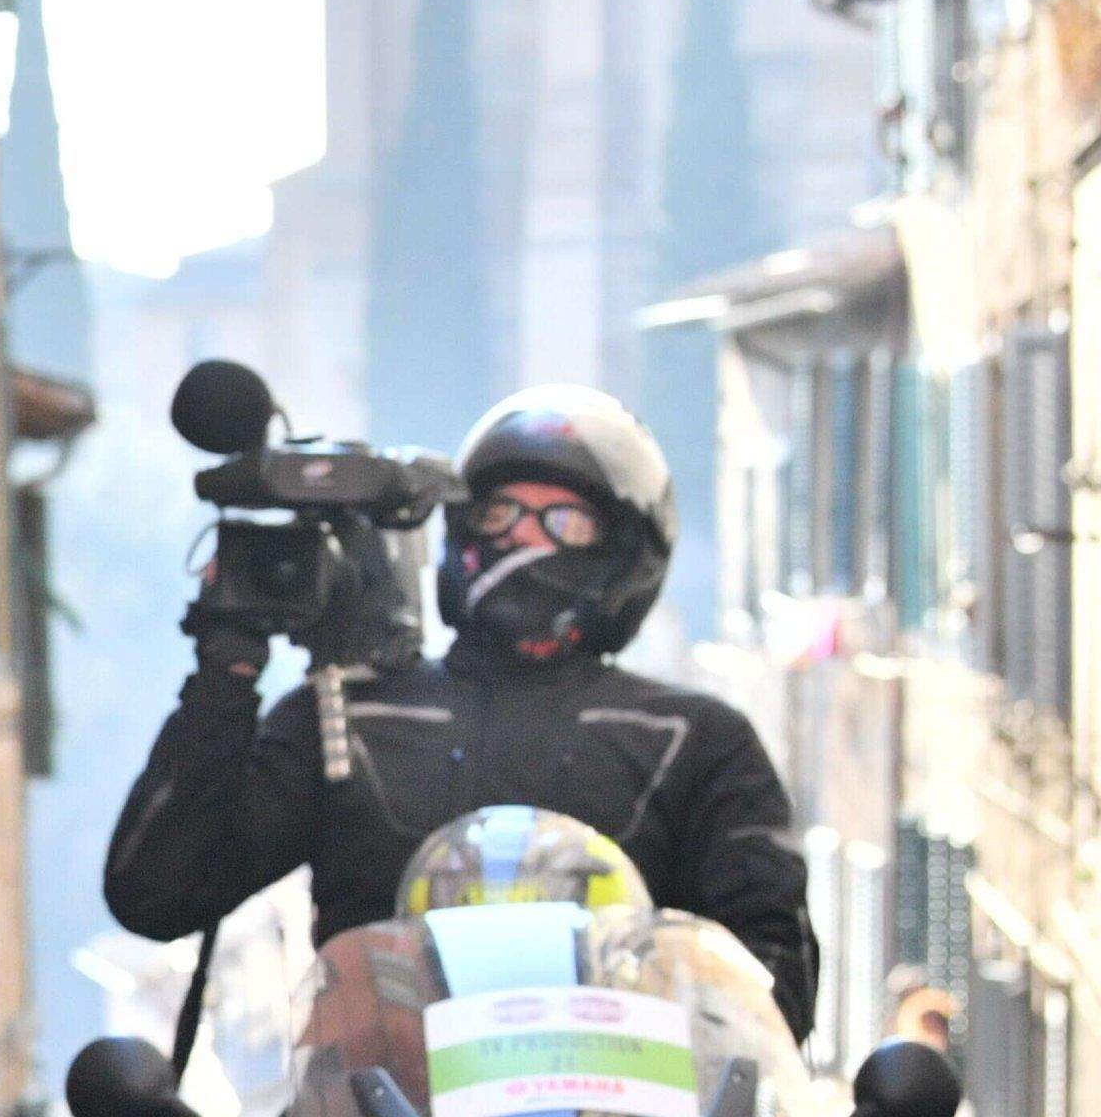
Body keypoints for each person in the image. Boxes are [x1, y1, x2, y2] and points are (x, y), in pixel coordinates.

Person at [102, 385, 820, 1032]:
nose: (520, 537)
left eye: (562, 520)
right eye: (499, 511)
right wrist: (225, 673)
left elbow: (772, 989)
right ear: (460, 531)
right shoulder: (345, 720)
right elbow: (157, 893)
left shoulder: (690, 741)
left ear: (622, 550)